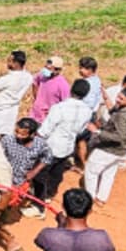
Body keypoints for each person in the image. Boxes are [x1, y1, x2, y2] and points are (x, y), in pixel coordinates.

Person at [36, 79, 94, 210]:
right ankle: (50, 193)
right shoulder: (87, 111)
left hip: (52, 145)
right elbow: (81, 130)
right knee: (57, 172)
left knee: (41, 173)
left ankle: (39, 203)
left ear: (71, 90)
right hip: (68, 146)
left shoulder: (59, 107)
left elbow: (45, 130)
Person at [83, 87, 126, 205]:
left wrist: (97, 131)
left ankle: (89, 197)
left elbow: (119, 136)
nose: (117, 100)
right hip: (122, 150)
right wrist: (106, 99)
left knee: (91, 170)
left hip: (110, 149)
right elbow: (114, 113)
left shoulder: (122, 116)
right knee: (109, 172)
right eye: (118, 96)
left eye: (121, 98)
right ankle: (101, 198)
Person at [0, 118, 53, 219]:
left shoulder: (40, 144)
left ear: (32, 134)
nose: (18, 136)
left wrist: (34, 171)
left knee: (13, 200)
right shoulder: (7, 140)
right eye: (16, 132)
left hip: (22, 180)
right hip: (5, 176)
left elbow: (48, 157)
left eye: (23, 134)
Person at [0, 50, 32, 139]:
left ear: (16, 64)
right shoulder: (28, 77)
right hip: (11, 111)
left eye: (10, 61)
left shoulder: (9, 79)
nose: (7, 62)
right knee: (5, 134)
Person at [29, 56, 70, 122]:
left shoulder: (63, 85)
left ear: (57, 70)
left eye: (49, 69)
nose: (45, 70)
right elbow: (35, 83)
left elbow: (66, 104)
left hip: (48, 119)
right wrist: (36, 99)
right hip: (35, 114)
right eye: (45, 67)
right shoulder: (42, 76)